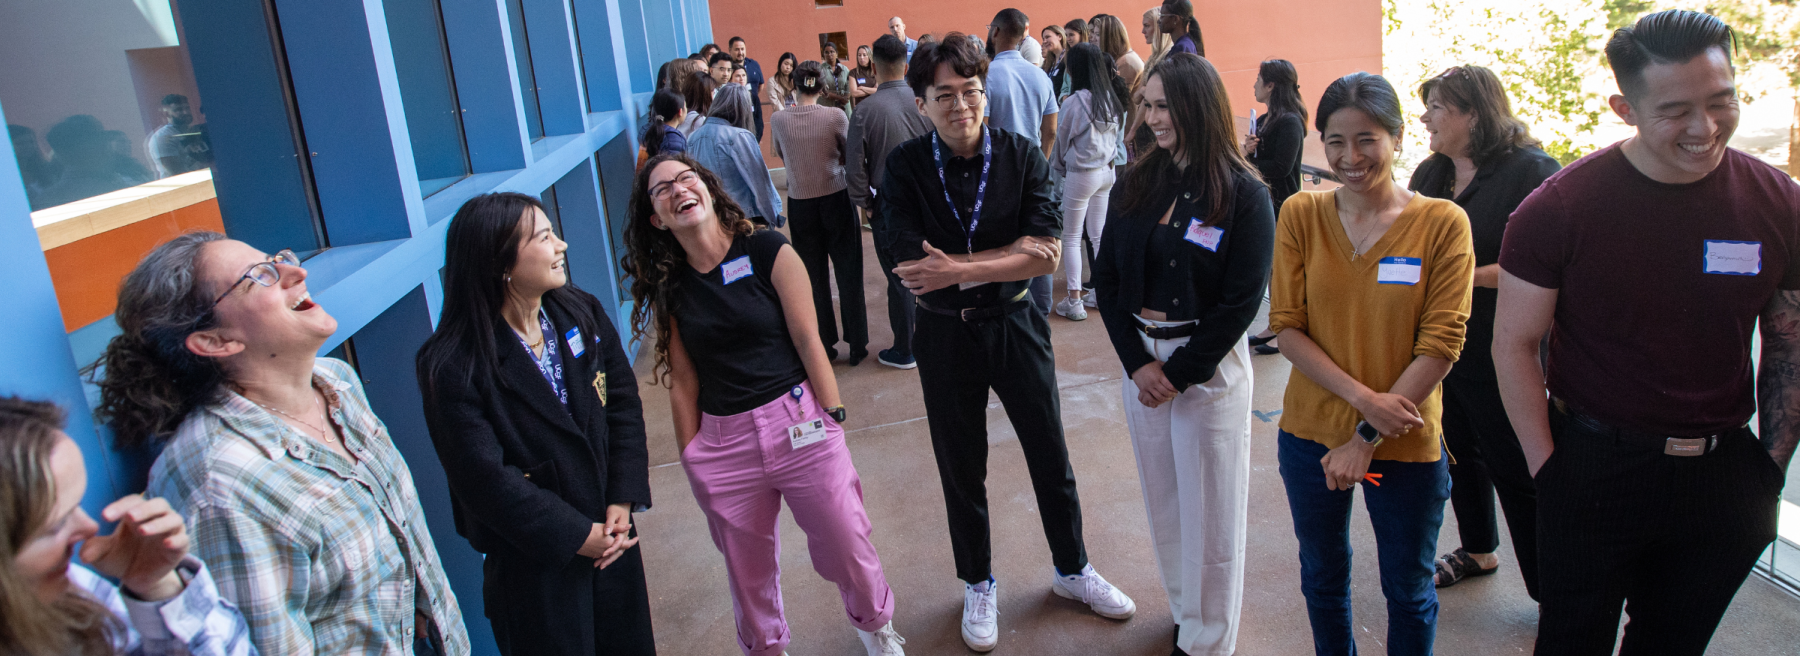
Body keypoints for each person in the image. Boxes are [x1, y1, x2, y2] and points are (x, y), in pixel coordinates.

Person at [1495, 10, 1800, 654]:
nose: (1705, 127)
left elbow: (1789, 338)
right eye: (1676, 110)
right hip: (1593, 465)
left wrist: (1768, 469)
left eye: (1723, 101)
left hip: (1724, 478)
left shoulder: (1778, 202)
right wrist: (1548, 470)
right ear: (1624, 108)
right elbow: (1515, 344)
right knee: (1572, 640)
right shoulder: (1557, 210)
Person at [90, 233, 471, 654]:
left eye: (279, 258)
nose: (297, 271)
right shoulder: (221, 483)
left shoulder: (335, 382)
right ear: (216, 341)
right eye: (260, 276)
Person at [881, 33, 1136, 653]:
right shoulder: (906, 167)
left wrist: (962, 268)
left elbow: (1046, 255)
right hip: (943, 334)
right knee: (960, 464)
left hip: (1016, 325)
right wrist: (1004, 257)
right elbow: (908, 265)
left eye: (970, 92)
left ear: (985, 97)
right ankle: (977, 581)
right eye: (944, 95)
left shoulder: (1022, 155)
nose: (960, 105)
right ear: (922, 103)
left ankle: (1073, 568)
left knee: (1050, 451)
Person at [624, 153, 908, 656]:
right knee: (746, 569)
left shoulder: (766, 249)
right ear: (657, 218)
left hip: (799, 421)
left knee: (847, 541)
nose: (677, 189)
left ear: (707, 189)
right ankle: (766, 648)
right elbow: (684, 380)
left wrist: (832, 412)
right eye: (662, 189)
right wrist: (692, 456)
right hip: (723, 444)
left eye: (686, 178)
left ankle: (875, 624)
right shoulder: (671, 286)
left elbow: (808, 337)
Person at [1268, 72, 1472, 656]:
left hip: (1404, 446)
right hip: (1310, 439)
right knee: (1323, 579)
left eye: (1367, 139)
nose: (1350, 157)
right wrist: (1363, 405)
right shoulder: (1301, 215)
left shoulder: (1441, 223)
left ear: (1398, 138)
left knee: (1408, 589)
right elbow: (1287, 327)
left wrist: (1365, 437)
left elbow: (1442, 343)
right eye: (1335, 141)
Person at [415, 193, 655, 655]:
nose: (562, 245)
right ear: (500, 260)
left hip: (613, 541)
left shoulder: (578, 311)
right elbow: (484, 480)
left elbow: (622, 404)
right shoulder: (453, 363)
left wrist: (622, 499)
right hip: (538, 571)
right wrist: (576, 536)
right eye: (545, 237)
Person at [1091, 53, 1273, 656]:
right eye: (1147, 104)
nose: (1152, 116)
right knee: (1166, 505)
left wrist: (1178, 373)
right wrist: (1138, 364)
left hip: (1208, 368)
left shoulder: (1245, 194)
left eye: (1164, 104)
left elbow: (1241, 302)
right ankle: (1184, 613)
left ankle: (1209, 642)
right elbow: (1108, 281)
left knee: (1213, 516)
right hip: (1142, 362)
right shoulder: (1138, 180)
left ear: (1198, 105)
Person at [1406, 65, 1562, 598]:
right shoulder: (1431, 174)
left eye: (1437, 108)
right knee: (1458, 451)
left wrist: (1458, 279)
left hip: (1506, 347)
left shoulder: (1532, 171)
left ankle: (1550, 592)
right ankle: (1478, 549)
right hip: (1443, 345)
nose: (1425, 117)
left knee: (1516, 466)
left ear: (1474, 113)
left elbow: (1549, 263)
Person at [0, 397, 256, 656]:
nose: (89, 527)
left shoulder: (75, 589)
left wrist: (157, 588)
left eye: (78, 506)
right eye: (56, 525)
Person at [771, 62, 869, 366]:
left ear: (795, 86)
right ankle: (857, 344)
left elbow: (780, 154)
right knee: (848, 271)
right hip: (835, 196)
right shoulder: (835, 116)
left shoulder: (778, 120)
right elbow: (847, 151)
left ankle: (824, 343)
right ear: (823, 88)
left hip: (801, 201)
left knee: (812, 277)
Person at [847, 34, 935, 371]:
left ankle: (906, 348)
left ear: (877, 66)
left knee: (900, 276)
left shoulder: (865, 111)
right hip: (931, 200)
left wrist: (865, 202)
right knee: (934, 266)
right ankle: (938, 336)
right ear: (905, 65)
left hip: (890, 205)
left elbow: (854, 168)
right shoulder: (924, 102)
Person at [983, 8, 1060, 317]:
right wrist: (1041, 165)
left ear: (996, 32)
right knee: (1041, 241)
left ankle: (1010, 307)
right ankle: (1040, 311)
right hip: (1034, 172)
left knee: (1005, 246)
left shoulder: (986, 75)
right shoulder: (1040, 75)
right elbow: (1050, 130)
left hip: (997, 176)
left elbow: (982, 129)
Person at [1050, 43, 1127, 321]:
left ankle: (1074, 301)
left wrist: (1057, 168)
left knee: (1071, 238)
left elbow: (1062, 139)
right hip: (1107, 173)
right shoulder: (1111, 98)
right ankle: (1099, 292)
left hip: (1082, 174)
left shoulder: (1073, 102)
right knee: (1098, 236)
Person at [1242, 59, 1309, 355]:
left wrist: (1252, 162)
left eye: (1258, 79)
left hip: (1283, 204)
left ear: (1271, 85)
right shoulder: (1270, 118)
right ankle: (1275, 325)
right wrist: (1249, 151)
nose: (1254, 84)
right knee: (1273, 270)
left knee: (1283, 270)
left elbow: (1281, 168)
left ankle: (1286, 329)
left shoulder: (1290, 121)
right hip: (1267, 202)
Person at [690, 84, 783, 227]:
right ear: (743, 109)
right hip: (744, 218)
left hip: (711, 216)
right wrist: (773, 216)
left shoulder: (693, 137)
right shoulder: (739, 136)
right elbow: (760, 183)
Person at [147, 94, 203, 178]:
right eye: (178, 110)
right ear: (166, 114)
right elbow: (176, 173)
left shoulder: (196, 131)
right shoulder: (162, 138)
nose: (185, 112)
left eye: (187, 108)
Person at [728, 37, 768, 140]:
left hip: (751, 105)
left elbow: (760, 85)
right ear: (730, 50)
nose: (740, 52)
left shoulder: (753, 64)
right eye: (737, 49)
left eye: (742, 49)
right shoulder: (727, 66)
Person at [1093, 16, 1143, 90]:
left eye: (1098, 34)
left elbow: (1120, 97)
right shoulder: (1121, 58)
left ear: (1110, 37)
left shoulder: (1126, 62)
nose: (1093, 39)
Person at [643, 89, 689, 160]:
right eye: (685, 106)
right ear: (680, 111)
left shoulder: (650, 132)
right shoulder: (673, 139)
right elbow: (674, 168)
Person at [820, 43, 855, 112]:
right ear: (823, 55)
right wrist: (840, 98)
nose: (829, 54)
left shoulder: (845, 69)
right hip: (827, 106)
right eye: (826, 52)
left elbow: (849, 85)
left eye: (832, 52)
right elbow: (823, 91)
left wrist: (846, 97)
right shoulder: (820, 70)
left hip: (844, 106)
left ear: (837, 54)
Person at [680, 72, 717, 136]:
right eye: (713, 92)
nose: (714, 97)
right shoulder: (699, 121)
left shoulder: (681, 115)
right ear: (706, 94)